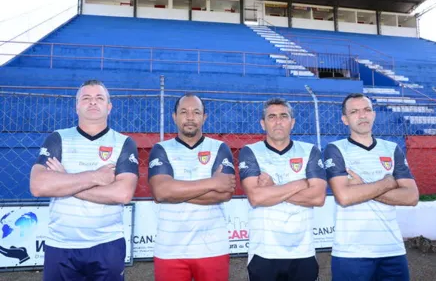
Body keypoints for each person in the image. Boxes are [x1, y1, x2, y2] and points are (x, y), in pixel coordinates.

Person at [30, 80, 139, 281]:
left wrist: (64, 181)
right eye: (86, 98)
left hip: (107, 244)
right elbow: (38, 186)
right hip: (61, 245)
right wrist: (95, 177)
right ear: (76, 106)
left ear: (109, 107)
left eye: (99, 98)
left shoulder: (124, 142)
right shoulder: (58, 138)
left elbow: (122, 194)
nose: (92, 102)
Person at [323, 93, 419, 281]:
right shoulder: (335, 149)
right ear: (345, 119)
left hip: (392, 250)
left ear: (374, 114)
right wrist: (387, 183)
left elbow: (411, 197)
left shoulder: (391, 149)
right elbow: (344, 197)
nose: (362, 115)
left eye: (367, 110)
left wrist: (363, 187)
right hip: (351, 253)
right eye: (354, 111)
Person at [148, 93, 236, 281]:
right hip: (170, 250)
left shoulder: (220, 148)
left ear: (204, 117)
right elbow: (161, 191)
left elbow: (226, 192)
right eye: (184, 112)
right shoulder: (161, 149)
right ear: (174, 117)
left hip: (213, 248)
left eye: (196, 112)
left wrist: (175, 191)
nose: (189, 117)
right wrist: (212, 183)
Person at [238, 97, 327, 281]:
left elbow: (318, 197)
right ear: (263, 124)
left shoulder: (310, 151)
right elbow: (256, 197)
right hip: (263, 252)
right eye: (272, 117)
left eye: (283, 116)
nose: (278, 121)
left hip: (303, 251)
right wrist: (300, 183)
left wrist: (272, 189)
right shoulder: (250, 151)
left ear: (292, 122)